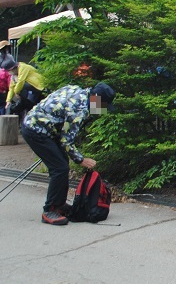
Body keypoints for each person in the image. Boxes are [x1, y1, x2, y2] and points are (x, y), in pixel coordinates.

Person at [21, 82, 116, 225]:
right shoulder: (79, 109)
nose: (102, 110)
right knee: (59, 168)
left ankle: (59, 204)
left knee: (62, 164)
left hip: (43, 128)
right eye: (102, 105)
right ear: (95, 98)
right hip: (35, 130)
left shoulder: (79, 91)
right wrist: (81, 160)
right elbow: (66, 141)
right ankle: (49, 211)